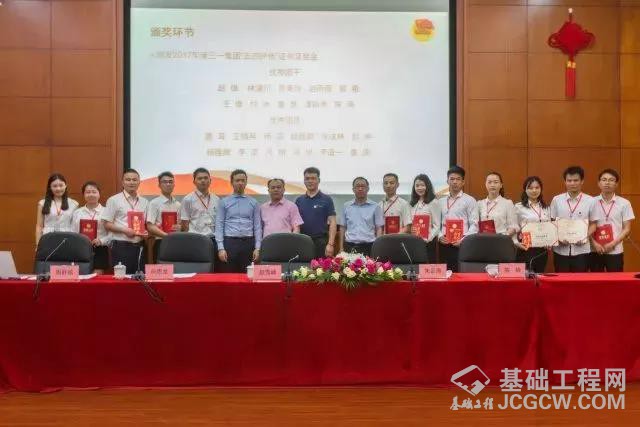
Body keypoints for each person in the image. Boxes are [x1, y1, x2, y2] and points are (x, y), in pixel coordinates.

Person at [102, 168, 149, 274]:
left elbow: (144, 224)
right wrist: (124, 230)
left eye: (134, 180)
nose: (131, 182)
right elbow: (106, 224)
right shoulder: (113, 200)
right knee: (122, 278)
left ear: (139, 182)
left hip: (140, 246)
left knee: (140, 278)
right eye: (128, 180)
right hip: (121, 246)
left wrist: (145, 232)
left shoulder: (145, 202)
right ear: (122, 182)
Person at [215, 169, 262, 273]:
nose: (240, 183)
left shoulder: (254, 202)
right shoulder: (224, 202)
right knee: (228, 275)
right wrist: (221, 248)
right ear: (232, 182)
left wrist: (257, 248)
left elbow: (257, 226)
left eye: (243, 180)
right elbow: (219, 225)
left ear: (246, 182)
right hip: (229, 243)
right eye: (237, 180)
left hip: (248, 243)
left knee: (248, 276)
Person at [588, 169, 635, 272]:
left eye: (611, 180)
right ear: (599, 183)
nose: (607, 182)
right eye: (604, 179)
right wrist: (594, 243)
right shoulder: (591, 202)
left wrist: (613, 244)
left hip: (615, 250)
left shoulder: (624, 203)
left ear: (616, 184)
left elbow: (627, 228)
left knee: (616, 280)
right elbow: (586, 226)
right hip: (595, 250)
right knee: (596, 280)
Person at [549, 166, 594, 272]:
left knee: (580, 281)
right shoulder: (557, 200)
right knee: (561, 280)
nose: (572, 183)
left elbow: (594, 224)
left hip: (582, 250)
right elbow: (552, 222)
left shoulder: (590, 201)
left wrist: (584, 236)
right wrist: (558, 237)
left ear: (582, 181)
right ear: (565, 182)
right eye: (569, 180)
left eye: (576, 180)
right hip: (561, 250)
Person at [438, 165, 479, 272]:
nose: (455, 182)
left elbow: (475, 224)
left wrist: (463, 240)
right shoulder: (440, 201)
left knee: (460, 273)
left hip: (462, 244)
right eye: (452, 179)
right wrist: (439, 236)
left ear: (463, 182)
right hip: (444, 243)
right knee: (444, 274)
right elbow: (436, 223)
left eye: (458, 179)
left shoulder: (470, 200)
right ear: (447, 181)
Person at [295, 167, 337, 258]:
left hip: (321, 242)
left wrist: (330, 244)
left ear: (319, 180)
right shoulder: (299, 200)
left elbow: (333, 222)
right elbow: (296, 224)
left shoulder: (327, 199)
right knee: (302, 266)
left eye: (313, 178)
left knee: (320, 267)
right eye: (307, 179)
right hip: (302, 241)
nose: (310, 181)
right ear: (304, 181)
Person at [514, 176, 552, 273]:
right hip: (526, 248)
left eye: (537, 187)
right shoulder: (518, 207)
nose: (534, 190)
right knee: (525, 278)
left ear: (541, 189)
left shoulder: (546, 208)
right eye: (530, 188)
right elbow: (513, 227)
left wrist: (550, 242)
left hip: (542, 250)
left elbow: (549, 227)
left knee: (539, 277)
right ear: (525, 190)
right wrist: (516, 242)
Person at [72, 181, 111, 274]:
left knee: (97, 276)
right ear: (83, 194)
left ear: (99, 194)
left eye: (94, 192)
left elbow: (112, 234)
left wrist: (101, 241)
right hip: (81, 248)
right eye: (88, 192)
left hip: (100, 248)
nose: (91, 194)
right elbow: (73, 232)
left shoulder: (106, 211)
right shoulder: (77, 212)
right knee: (82, 275)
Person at [338, 177, 383, 256]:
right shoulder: (346, 206)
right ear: (353, 189)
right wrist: (341, 248)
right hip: (349, 246)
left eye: (363, 186)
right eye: (357, 186)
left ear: (368, 189)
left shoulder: (375, 206)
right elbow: (342, 228)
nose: (360, 189)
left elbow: (379, 228)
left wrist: (377, 247)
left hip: (369, 246)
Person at [35, 173, 79, 246]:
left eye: (61, 185)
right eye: (55, 186)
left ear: (65, 185)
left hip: (66, 240)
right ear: (50, 187)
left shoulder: (74, 204)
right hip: (48, 239)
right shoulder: (42, 203)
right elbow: (39, 226)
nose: (58, 188)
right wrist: (38, 245)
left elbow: (75, 227)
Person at [146, 171, 181, 262]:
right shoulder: (154, 203)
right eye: (164, 182)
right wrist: (166, 236)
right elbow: (150, 226)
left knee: (176, 268)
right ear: (159, 185)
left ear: (174, 184)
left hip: (176, 242)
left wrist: (180, 227)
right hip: (161, 242)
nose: (168, 184)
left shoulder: (178, 204)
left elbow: (180, 225)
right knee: (162, 269)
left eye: (170, 182)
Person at [409, 174, 441, 263]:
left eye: (422, 185)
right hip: (414, 241)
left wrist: (428, 239)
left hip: (428, 243)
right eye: (417, 185)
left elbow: (437, 225)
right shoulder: (413, 203)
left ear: (427, 186)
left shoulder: (433, 202)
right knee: (416, 267)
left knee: (427, 267)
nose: (420, 188)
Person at [477, 172, 518, 236]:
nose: (492, 185)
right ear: (485, 184)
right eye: (489, 182)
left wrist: (504, 236)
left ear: (501, 185)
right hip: (483, 239)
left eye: (496, 182)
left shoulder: (508, 203)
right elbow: (475, 225)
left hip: (501, 239)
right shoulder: (479, 204)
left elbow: (514, 226)